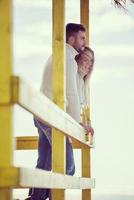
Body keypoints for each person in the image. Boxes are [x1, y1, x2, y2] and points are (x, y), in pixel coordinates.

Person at [25, 23, 91, 200]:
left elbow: (75, 93)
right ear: (71, 39)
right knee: (68, 167)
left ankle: (34, 199)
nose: (85, 41)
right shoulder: (67, 58)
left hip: (44, 115)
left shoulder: (61, 55)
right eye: (82, 38)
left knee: (45, 164)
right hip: (49, 118)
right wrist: (78, 126)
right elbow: (71, 93)